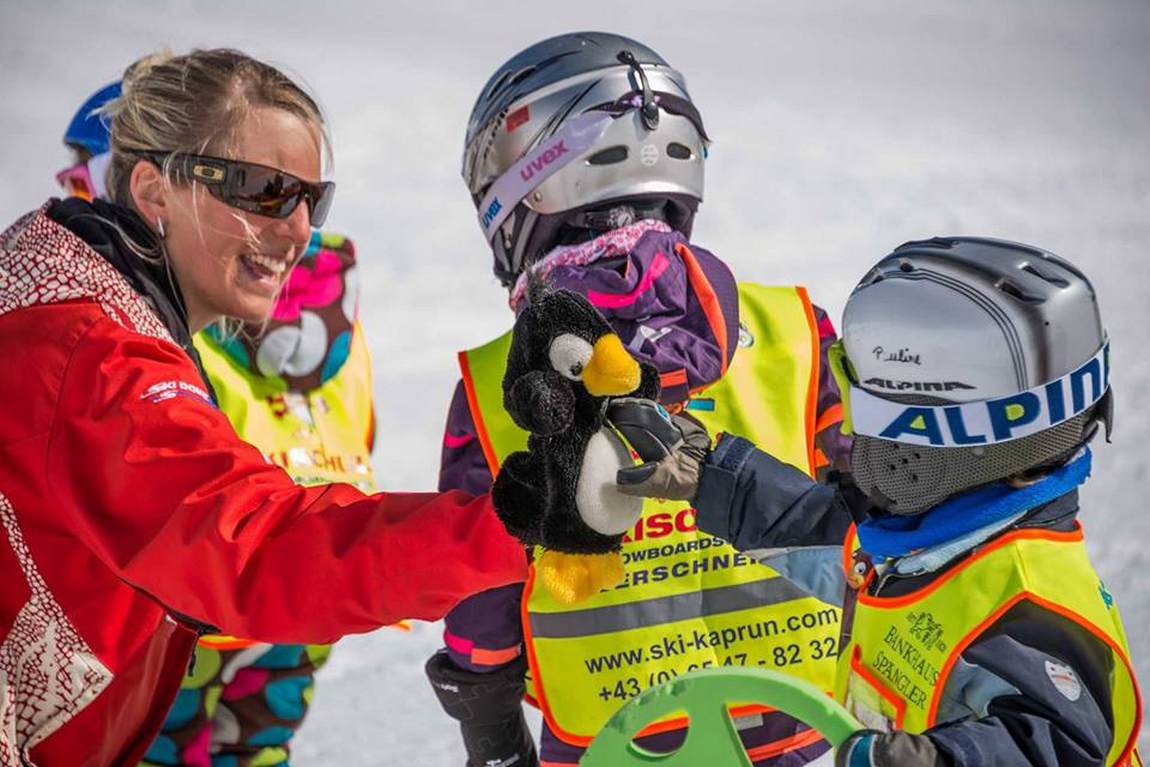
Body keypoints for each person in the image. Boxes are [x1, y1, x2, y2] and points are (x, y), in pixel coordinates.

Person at [0, 48, 528, 767]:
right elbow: (254, 546)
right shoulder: (88, 349)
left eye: (315, 197)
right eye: (264, 190)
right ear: (155, 192)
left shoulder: (71, 304)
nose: (300, 228)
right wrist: (514, 525)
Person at [424, 32, 852, 767]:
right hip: (806, 730)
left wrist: (487, 723)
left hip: (608, 746)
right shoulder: (795, 333)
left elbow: (479, 584)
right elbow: (872, 511)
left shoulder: (502, 382)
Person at [616, 237, 1143, 766]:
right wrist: (707, 473)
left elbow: (1055, 746)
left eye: (864, 409)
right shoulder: (932, 540)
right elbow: (824, 533)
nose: (848, 430)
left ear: (936, 432)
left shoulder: (1031, 605)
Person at [58, 81, 383, 767]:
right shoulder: (329, 311)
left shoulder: (162, 307)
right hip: (304, 582)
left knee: (153, 749)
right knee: (255, 748)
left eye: (81, 170)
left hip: (196, 594)